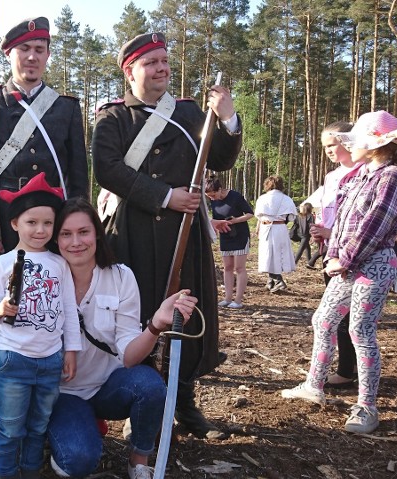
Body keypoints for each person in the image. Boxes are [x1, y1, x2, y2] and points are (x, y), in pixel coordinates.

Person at [92, 32, 241, 440]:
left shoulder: (191, 113)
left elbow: (222, 158)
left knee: (185, 312)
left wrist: (227, 117)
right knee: (137, 316)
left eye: (163, 60)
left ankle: (185, 404)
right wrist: (164, 196)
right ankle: (142, 408)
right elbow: (106, 169)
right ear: (130, 71)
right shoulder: (113, 117)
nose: (160, 68)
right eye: (150, 62)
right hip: (134, 234)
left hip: (183, 234)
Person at [0, 16, 88, 445]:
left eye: (41, 50)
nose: (33, 58)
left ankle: (43, 413)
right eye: (24, 50)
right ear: (8, 54)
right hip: (1, 229)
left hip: (47, 229)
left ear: (48, 55)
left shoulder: (65, 108)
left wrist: (70, 232)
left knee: (50, 316)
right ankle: (0, 416)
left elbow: (76, 175)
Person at [46, 197, 199, 479]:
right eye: (66, 234)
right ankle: (69, 431)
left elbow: (129, 356)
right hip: (63, 393)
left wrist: (155, 325)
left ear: (97, 234)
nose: (75, 242)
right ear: (55, 239)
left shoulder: (120, 277)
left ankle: (138, 459)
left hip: (108, 386)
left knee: (150, 386)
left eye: (84, 232)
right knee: (78, 461)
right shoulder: (46, 279)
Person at [281, 110, 397, 434]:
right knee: (323, 320)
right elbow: (343, 220)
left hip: (375, 265)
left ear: (374, 143)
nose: (347, 145)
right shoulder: (363, 175)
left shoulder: (392, 177)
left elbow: (374, 224)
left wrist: (345, 258)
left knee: (360, 330)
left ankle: (366, 407)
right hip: (348, 265)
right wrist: (335, 253)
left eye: (354, 139)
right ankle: (315, 385)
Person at [0, 173, 81, 479]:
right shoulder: (4, 262)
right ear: (15, 223)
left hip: (51, 359)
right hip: (14, 357)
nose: (40, 230)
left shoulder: (59, 263)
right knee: (11, 426)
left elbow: (68, 308)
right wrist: (0, 309)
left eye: (47, 223)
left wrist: (72, 350)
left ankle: (30, 470)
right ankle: (5, 472)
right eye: (31, 222)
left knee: (39, 424)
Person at [302, 121, 362, 389]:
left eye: (332, 144)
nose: (327, 150)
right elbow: (329, 213)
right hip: (331, 255)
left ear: (348, 141)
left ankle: (349, 370)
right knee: (338, 317)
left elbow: (360, 220)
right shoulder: (331, 177)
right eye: (324, 146)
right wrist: (320, 233)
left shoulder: (365, 173)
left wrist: (331, 233)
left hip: (356, 256)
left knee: (351, 319)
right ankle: (348, 368)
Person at [205, 178, 254, 309]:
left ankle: (238, 300)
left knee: (239, 268)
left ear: (220, 189)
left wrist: (235, 220)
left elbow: (250, 214)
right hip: (225, 235)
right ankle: (227, 298)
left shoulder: (235, 196)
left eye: (213, 195)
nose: (213, 199)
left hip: (240, 235)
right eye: (209, 197)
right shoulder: (214, 201)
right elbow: (214, 217)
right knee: (227, 267)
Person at [254, 175, 297, 292]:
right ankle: (270, 281)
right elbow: (292, 217)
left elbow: (258, 215)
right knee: (276, 255)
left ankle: (278, 281)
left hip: (266, 227)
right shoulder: (287, 199)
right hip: (280, 228)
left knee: (269, 255)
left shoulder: (262, 198)